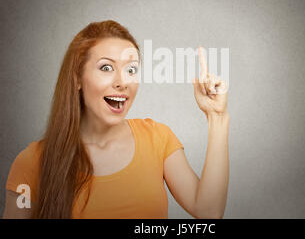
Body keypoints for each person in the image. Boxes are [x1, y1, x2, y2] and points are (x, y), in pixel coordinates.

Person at [2, 20, 229, 219]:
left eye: (131, 70)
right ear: (77, 78)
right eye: (107, 67)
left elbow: (208, 210)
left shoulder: (157, 138)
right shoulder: (32, 162)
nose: (123, 82)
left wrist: (216, 116)